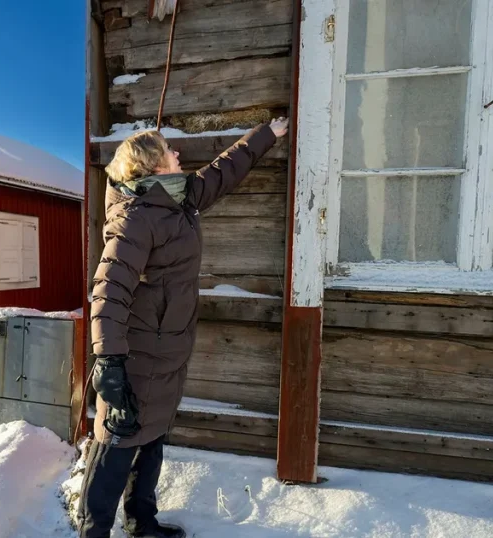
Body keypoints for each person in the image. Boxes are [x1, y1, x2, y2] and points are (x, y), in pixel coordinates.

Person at [80, 118, 289, 538]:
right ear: (154, 166)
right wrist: (108, 360)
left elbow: (222, 172)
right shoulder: (135, 218)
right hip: (134, 357)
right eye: (169, 151)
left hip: (167, 353)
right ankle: (93, 532)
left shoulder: (179, 200)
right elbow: (108, 290)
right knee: (116, 446)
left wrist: (268, 134)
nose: (178, 155)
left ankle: (141, 523)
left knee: (151, 439)